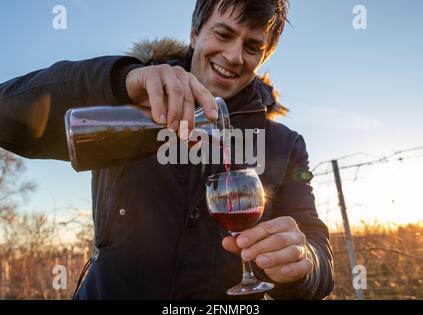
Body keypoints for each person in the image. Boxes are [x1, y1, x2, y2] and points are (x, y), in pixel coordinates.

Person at [0, 0, 334, 299]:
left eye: (252, 46)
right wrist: (118, 83)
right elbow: (8, 116)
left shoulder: (284, 144)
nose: (233, 56)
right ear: (194, 33)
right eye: (223, 34)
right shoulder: (128, 104)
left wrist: (304, 262)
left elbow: (317, 253)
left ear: (264, 56)